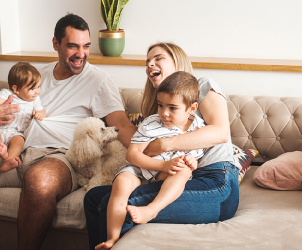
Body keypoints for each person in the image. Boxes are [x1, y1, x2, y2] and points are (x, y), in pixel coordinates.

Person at [0, 13, 136, 250]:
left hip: (58, 156)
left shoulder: (99, 80)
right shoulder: (36, 76)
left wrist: (153, 152)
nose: (81, 54)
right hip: (13, 148)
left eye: (86, 46)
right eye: (72, 46)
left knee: (40, 181)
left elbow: (121, 124)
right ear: (55, 44)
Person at [84, 42, 241, 250]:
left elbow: (220, 132)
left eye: (158, 58)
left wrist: (164, 144)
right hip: (175, 175)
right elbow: (144, 152)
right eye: (148, 61)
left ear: (178, 62)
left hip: (215, 181)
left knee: (118, 206)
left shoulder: (202, 86)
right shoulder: (158, 115)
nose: (150, 64)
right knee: (93, 199)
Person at [96, 71, 206, 250]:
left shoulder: (198, 128)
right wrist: (162, 164)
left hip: (166, 175)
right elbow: (132, 154)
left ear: (191, 109)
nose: (164, 113)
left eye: (172, 108)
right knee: (122, 182)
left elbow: (196, 156)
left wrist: (191, 161)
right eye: (160, 105)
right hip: (142, 169)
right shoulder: (151, 123)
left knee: (184, 170)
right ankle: (112, 238)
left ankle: (152, 209)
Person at [0, 62, 46, 173]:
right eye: (32, 88)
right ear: (16, 89)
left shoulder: (35, 99)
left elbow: (42, 112)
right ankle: (0, 150)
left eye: (39, 87)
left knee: (19, 142)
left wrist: (39, 114)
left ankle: (8, 160)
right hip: (1, 128)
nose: (37, 91)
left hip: (17, 133)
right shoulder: (7, 93)